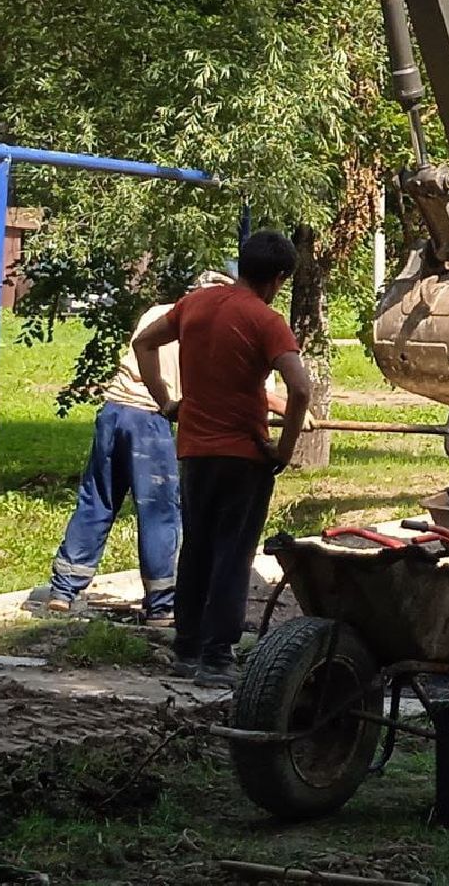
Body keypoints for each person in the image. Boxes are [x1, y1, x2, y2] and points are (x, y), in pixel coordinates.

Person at [135, 230, 311, 688]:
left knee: (197, 549)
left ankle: (187, 649)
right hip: (244, 457)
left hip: (195, 453)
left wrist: (166, 401)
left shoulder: (194, 304)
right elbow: (300, 387)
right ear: (278, 279)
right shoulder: (266, 320)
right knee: (233, 555)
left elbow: (144, 344)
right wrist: (285, 449)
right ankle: (216, 659)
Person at [45, 270, 234, 623]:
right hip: (150, 418)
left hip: (113, 412)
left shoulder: (157, 313)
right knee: (159, 511)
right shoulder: (210, 326)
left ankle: (63, 590)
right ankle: (161, 604)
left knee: (97, 500)